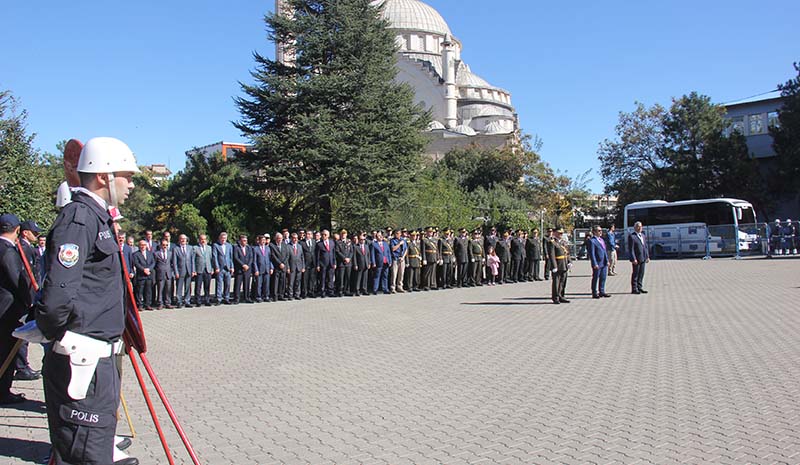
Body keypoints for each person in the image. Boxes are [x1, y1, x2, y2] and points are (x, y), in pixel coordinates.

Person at [36, 136, 140, 464]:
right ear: (103, 176)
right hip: (83, 361)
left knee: (93, 450)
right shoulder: (79, 218)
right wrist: (59, 336)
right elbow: (56, 298)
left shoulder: (97, 218)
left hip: (98, 362)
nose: (132, 185)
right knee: (86, 456)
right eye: (128, 176)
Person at [0, 213, 34, 404]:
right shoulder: (8, 250)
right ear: (17, 230)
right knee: (7, 350)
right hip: (8, 308)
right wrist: (30, 301)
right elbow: (17, 280)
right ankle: (3, 391)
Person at [15, 220, 42, 381]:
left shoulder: (28, 248)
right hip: (26, 296)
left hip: (31, 294)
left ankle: (22, 365)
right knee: (23, 332)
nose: (37, 236)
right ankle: (21, 367)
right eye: (35, 233)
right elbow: (25, 275)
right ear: (25, 232)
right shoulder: (22, 248)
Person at [547, 227, 571, 304]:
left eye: (562, 233)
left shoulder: (563, 242)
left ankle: (561, 296)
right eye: (559, 233)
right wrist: (554, 266)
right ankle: (556, 297)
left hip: (564, 263)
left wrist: (569, 261)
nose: (561, 234)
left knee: (563, 281)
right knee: (556, 282)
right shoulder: (552, 242)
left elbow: (567, 253)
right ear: (554, 233)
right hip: (557, 264)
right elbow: (552, 255)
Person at [588, 225, 611, 299]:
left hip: (603, 262)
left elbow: (604, 251)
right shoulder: (592, 241)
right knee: (595, 277)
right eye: (599, 231)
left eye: (601, 230)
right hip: (597, 262)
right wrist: (594, 263)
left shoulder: (602, 240)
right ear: (594, 232)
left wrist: (607, 260)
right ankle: (594, 292)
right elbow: (592, 253)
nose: (600, 232)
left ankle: (602, 291)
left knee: (603, 277)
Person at [172, 234, 195, 308]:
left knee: (188, 287)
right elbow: (174, 262)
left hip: (189, 270)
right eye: (181, 239)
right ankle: (179, 301)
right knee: (179, 287)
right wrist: (176, 272)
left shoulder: (190, 248)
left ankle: (187, 301)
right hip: (180, 271)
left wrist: (193, 270)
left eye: (184, 239)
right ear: (179, 240)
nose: (183, 240)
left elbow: (192, 260)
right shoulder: (176, 249)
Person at [132, 240, 155, 310]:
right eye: (141, 245)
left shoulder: (150, 253)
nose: (143, 246)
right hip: (141, 275)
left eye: (144, 245)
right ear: (139, 246)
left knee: (148, 291)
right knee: (139, 291)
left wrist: (149, 269)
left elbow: (153, 262)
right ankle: (140, 305)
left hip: (149, 275)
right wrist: (143, 270)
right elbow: (136, 263)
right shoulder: (136, 254)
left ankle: (147, 304)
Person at [628, 221, 650, 294]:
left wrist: (647, 256)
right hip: (636, 258)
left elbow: (645, 247)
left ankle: (639, 287)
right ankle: (634, 288)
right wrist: (633, 258)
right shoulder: (632, 236)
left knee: (641, 273)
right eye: (638, 226)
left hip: (643, 257)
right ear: (635, 228)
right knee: (635, 274)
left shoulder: (643, 235)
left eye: (641, 226)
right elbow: (631, 249)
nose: (640, 228)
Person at [213, 232, 234, 305]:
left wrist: (232, 267)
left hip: (227, 267)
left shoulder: (229, 246)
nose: (223, 239)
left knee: (227, 284)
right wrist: (216, 267)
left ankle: (226, 298)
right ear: (220, 238)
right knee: (219, 283)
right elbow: (215, 257)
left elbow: (231, 257)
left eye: (225, 238)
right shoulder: (216, 245)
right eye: (222, 238)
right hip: (220, 268)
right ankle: (219, 299)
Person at [193, 234, 214, 307]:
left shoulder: (209, 248)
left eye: (204, 239)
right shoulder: (195, 248)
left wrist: (212, 268)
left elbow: (211, 259)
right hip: (199, 270)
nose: (203, 241)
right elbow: (193, 260)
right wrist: (194, 270)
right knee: (198, 286)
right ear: (199, 240)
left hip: (208, 269)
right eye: (202, 239)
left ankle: (207, 300)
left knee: (207, 286)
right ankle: (198, 301)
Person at [154, 237, 175, 309]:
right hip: (160, 274)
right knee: (160, 289)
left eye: (166, 245)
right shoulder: (156, 254)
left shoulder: (170, 253)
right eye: (163, 245)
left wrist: (172, 271)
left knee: (168, 289)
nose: (165, 246)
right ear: (160, 245)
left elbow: (172, 263)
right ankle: (160, 303)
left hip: (168, 274)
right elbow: (154, 264)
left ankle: (168, 302)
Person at [233, 234, 254, 304]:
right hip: (239, 269)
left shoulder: (249, 248)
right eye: (243, 241)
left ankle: (247, 297)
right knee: (238, 284)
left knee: (247, 284)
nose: (245, 242)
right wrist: (243, 265)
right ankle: (237, 298)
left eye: (246, 241)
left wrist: (247, 265)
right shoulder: (236, 248)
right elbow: (236, 258)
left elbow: (251, 257)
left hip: (247, 269)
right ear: (240, 241)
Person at [315, 230, 336, 298]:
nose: (324, 236)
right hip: (323, 263)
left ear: (328, 235)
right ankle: (322, 291)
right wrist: (318, 265)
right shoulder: (319, 244)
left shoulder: (332, 242)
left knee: (330, 278)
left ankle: (330, 291)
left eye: (325, 235)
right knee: (322, 278)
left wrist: (334, 262)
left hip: (331, 263)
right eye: (323, 234)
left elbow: (333, 254)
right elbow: (317, 255)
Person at [252, 234, 273, 303]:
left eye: (264, 240)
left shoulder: (268, 248)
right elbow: (254, 261)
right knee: (259, 284)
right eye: (262, 240)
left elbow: (270, 259)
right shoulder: (255, 249)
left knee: (266, 284)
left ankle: (266, 296)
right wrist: (256, 269)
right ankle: (258, 297)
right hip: (259, 269)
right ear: (259, 241)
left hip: (267, 268)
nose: (263, 241)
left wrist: (271, 268)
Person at [270, 232, 290, 301]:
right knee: (276, 282)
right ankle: (275, 296)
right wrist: (279, 263)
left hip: (283, 266)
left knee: (282, 281)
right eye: (278, 238)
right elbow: (273, 256)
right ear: (276, 238)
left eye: (281, 238)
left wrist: (283, 263)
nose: (280, 240)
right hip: (276, 266)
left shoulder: (284, 245)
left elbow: (287, 255)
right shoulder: (272, 245)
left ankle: (281, 295)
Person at [335, 229, 353, 297]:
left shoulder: (349, 241)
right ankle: (340, 290)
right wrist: (344, 258)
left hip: (348, 263)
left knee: (348, 277)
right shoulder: (338, 242)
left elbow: (351, 251)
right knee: (341, 278)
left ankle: (347, 290)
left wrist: (349, 258)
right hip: (341, 263)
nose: (343, 235)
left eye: (344, 234)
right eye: (342, 234)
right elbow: (337, 251)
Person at [287, 232, 306, 299]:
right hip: (292, 266)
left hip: (299, 266)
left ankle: (297, 294)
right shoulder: (288, 246)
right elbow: (287, 258)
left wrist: (303, 266)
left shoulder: (299, 246)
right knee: (291, 282)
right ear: (291, 239)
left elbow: (302, 257)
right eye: (294, 238)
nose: (295, 240)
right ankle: (290, 295)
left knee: (298, 281)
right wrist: (288, 267)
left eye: (296, 238)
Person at [300, 230, 316, 299]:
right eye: (307, 234)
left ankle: (311, 291)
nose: (308, 235)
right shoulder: (301, 242)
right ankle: (304, 292)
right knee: (305, 278)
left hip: (313, 263)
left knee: (312, 278)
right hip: (305, 262)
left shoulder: (314, 242)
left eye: (310, 234)